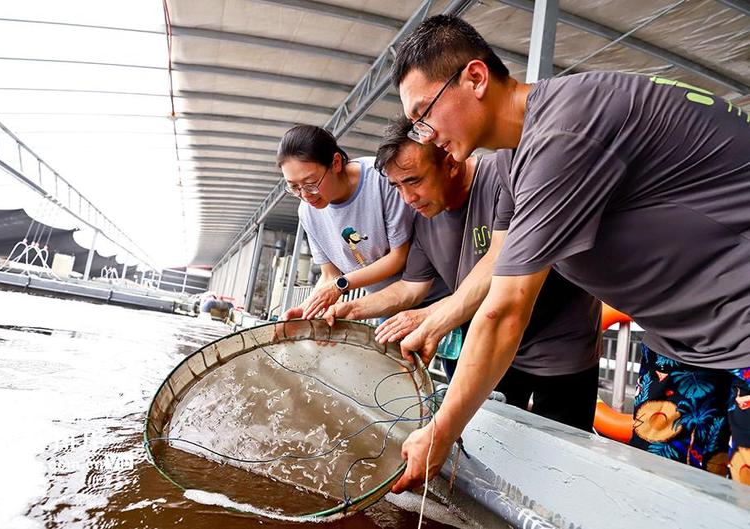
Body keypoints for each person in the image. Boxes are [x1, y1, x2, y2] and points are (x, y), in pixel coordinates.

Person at [390, 14, 750, 491]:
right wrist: (435, 316)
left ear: (475, 78)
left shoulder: (566, 130)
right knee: (660, 496)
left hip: (740, 321)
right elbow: (503, 260)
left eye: (424, 114)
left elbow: (506, 308)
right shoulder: (514, 158)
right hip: (682, 340)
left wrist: (442, 430)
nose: (425, 135)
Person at [324, 115, 601, 432]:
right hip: (493, 345)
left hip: (561, 345)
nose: (407, 198)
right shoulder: (423, 214)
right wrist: (351, 308)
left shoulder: (504, 177)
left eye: (414, 181)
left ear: (451, 162)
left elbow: (501, 269)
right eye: (397, 186)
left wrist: (430, 318)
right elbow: (411, 289)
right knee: (491, 442)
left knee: (564, 450)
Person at [277, 124, 445, 320]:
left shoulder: (381, 179)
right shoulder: (307, 212)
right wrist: (305, 311)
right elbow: (329, 275)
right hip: (384, 303)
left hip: (430, 293)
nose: (305, 196)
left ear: (336, 163)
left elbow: (398, 257)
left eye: (311, 184)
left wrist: (341, 285)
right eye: (294, 188)